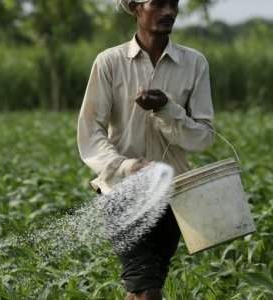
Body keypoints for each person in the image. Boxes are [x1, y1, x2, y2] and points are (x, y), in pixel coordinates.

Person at [77, 0, 215, 299]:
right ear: (135, 7)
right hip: (121, 191)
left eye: (174, 3)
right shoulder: (109, 62)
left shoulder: (194, 64)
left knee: (141, 286)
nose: (169, 12)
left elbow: (202, 138)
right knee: (147, 287)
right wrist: (127, 166)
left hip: (173, 193)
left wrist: (167, 109)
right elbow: (91, 133)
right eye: (158, 3)